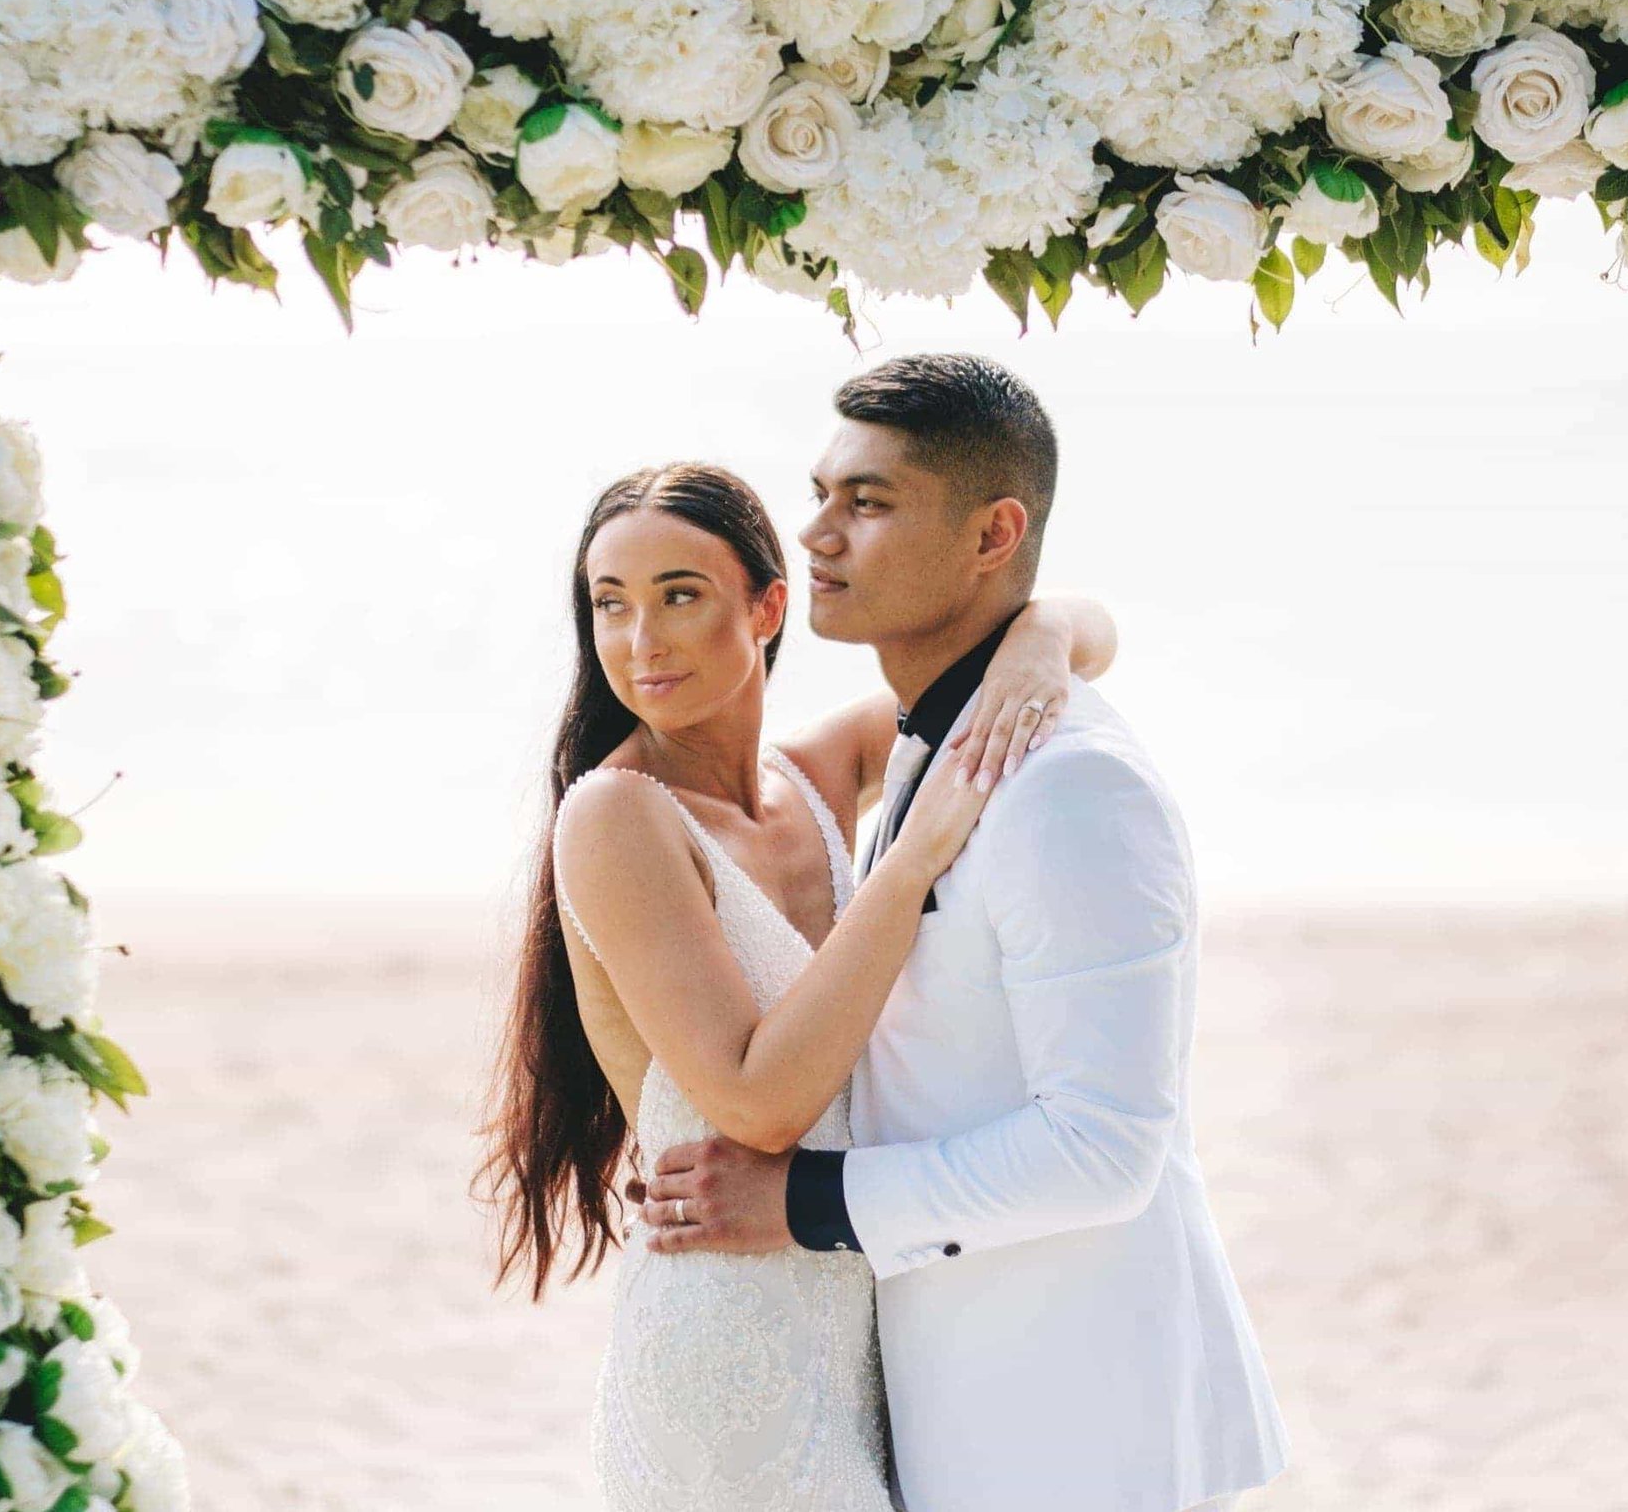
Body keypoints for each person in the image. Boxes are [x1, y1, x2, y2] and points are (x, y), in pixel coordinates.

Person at [633, 355, 1290, 1512]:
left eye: (868, 502)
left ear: (993, 534)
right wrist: (1050, 627)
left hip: (1078, 1420)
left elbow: (1104, 1147)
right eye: (823, 492)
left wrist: (804, 1201)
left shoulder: (1072, 786)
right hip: (955, 1403)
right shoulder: (926, 740)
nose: (818, 534)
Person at [478, 459, 1119, 1510]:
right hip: (723, 1361)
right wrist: (909, 864)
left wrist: (1038, 641)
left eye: (679, 594)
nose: (641, 639)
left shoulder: (815, 779)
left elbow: (1089, 630)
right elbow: (756, 1098)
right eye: (610, 604)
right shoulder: (616, 813)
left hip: (871, 1339)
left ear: (768, 606)